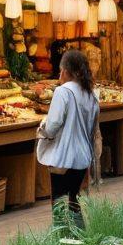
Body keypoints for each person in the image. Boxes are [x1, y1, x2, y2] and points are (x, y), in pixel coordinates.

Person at [37, 49, 100, 212]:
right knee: (73, 202)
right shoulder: (90, 94)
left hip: (63, 158)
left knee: (60, 205)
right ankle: (78, 236)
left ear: (65, 71)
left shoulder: (63, 91)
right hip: (82, 157)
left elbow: (53, 125)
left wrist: (42, 130)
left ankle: (62, 236)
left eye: (60, 71)